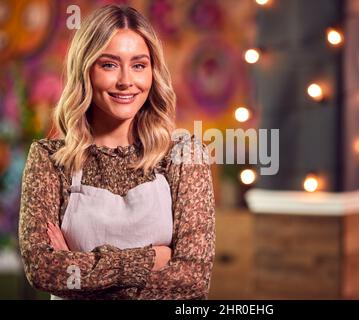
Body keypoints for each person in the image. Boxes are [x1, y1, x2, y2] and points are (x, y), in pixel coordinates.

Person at [18, 5, 215, 300]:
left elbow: (193, 280)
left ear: (152, 72)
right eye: (109, 64)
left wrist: (81, 272)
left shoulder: (184, 154)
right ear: (86, 70)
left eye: (139, 65)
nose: (126, 81)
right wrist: (152, 259)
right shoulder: (49, 159)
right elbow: (43, 269)